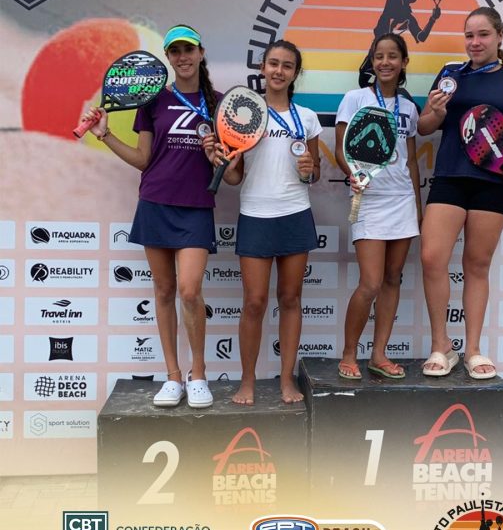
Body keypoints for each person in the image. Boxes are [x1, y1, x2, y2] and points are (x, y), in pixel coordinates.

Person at [79, 24, 219, 408]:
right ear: (169, 58)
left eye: (188, 49)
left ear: (201, 53)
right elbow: (143, 159)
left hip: (196, 207)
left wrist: (217, 156)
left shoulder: (219, 103)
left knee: (189, 290)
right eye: (175, 51)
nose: (183, 57)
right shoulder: (153, 100)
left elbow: (229, 165)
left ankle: (198, 374)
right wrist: (105, 135)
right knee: (164, 291)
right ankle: (173, 376)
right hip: (156, 202)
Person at [418, 6, 503, 379]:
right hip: (450, 177)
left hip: (492, 184)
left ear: (500, 36)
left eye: (483, 34)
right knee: (432, 258)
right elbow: (424, 127)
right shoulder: (450, 75)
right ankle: (442, 346)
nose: (475, 42)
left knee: (476, 265)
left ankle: (472, 349)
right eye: (469, 35)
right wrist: (436, 112)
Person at [204, 40, 321, 405]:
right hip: (255, 214)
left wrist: (309, 169)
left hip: (295, 213)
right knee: (254, 302)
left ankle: (286, 379)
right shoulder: (243, 114)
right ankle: (248, 381)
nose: (279, 71)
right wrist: (221, 163)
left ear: (295, 73)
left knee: (290, 299)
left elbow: (314, 174)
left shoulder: (307, 118)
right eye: (273, 63)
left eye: (287, 65)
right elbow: (234, 178)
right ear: (262, 68)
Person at [335, 33, 422, 380]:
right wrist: (352, 174)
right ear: (372, 62)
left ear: (403, 62)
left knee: (392, 279)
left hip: (402, 200)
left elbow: (411, 161)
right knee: (370, 283)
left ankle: (379, 354)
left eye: (392, 56)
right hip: (369, 199)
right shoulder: (355, 98)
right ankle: (348, 353)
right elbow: (341, 148)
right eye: (379, 56)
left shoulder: (409, 108)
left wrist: (417, 205)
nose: (385, 62)